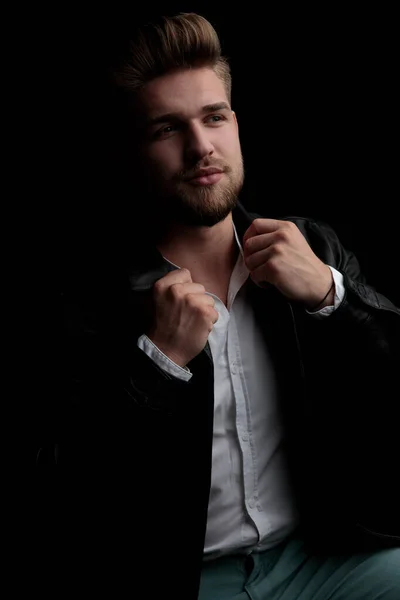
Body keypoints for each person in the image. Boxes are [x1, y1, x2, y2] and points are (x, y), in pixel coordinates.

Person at [35, 12, 399, 599]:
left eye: (214, 118)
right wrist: (157, 365)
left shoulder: (312, 247)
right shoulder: (90, 298)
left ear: (236, 125)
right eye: (166, 129)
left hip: (323, 563)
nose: (200, 147)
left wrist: (333, 299)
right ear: (135, 154)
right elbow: (61, 493)